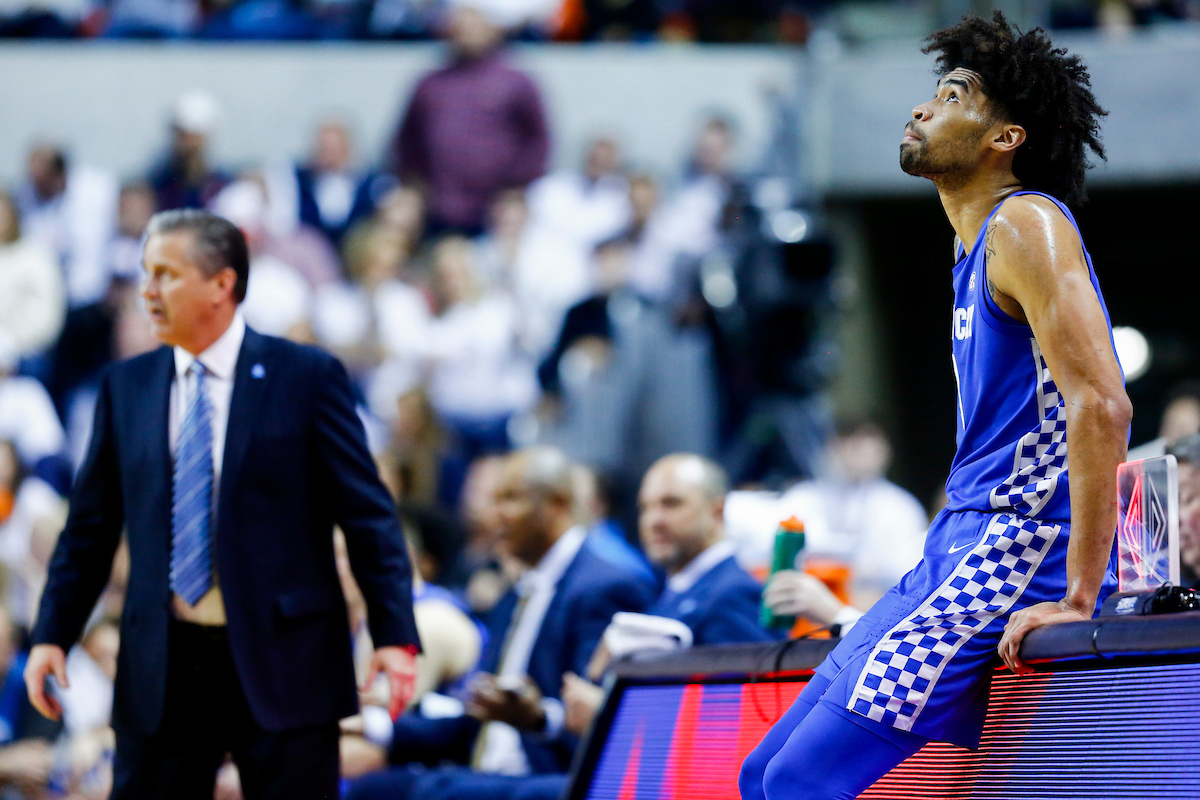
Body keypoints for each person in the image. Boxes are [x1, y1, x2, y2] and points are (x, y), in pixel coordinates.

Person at [739, 13, 1131, 799]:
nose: (922, 107)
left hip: (1015, 549)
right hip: (955, 541)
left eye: (953, 97)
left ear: (1004, 139)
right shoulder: (969, 244)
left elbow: (1102, 404)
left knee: (797, 785)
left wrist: (1081, 595)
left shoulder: (1026, 222)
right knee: (761, 775)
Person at [24, 209, 422, 800]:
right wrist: (52, 634)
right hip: (165, 660)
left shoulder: (306, 376)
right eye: (145, 273)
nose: (147, 290)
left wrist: (394, 633)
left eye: (165, 274)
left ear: (221, 284)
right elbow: (89, 530)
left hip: (285, 657)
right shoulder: (125, 386)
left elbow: (368, 515)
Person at [347, 446, 657, 800]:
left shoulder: (606, 587)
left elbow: (603, 724)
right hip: (484, 771)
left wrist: (538, 718)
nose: (494, 514)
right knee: (371, 784)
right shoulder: (517, 592)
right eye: (494, 500)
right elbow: (474, 722)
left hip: (545, 778)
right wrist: (371, 724)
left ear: (556, 504)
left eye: (510, 499)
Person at [389, 2, 549, 234]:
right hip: (437, 208)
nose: (465, 32)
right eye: (460, 26)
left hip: (496, 212)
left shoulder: (516, 82)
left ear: (492, 29)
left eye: (473, 25)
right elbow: (407, 139)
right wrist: (413, 187)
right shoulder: (431, 84)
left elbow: (537, 139)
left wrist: (517, 187)